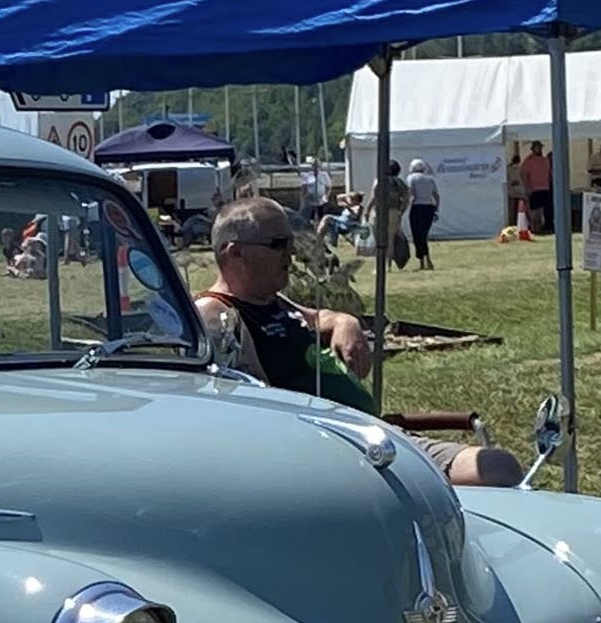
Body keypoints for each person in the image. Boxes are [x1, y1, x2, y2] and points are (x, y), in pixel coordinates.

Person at [192, 200, 521, 486]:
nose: (290, 254)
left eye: (290, 242)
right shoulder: (217, 313)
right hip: (332, 455)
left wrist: (344, 322)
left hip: (371, 436)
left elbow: (322, 318)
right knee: (495, 473)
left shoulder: (273, 301)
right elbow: (256, 409)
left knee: (499, 465)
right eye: (278, 243)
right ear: (235, 254)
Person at [370, 160, 411, 268]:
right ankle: (388, 265)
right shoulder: (399, 182)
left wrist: (367, 210)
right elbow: (407, 198)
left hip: (379, 211)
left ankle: (379, 265)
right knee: (391, 239)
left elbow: (374, 197)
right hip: (393, 211)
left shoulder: (379, 180)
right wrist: (401, 211)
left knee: (379, 239)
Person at [404, 158, 439, 271]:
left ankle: (423, 261)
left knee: (417, 236)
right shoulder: (430, 179)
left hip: (417, 207)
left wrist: (403, 206)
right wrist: (436, 210)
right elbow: (436, 196)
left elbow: (410, 194)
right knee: (424, 235)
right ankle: (426, 259)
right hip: (429, 208)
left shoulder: (411, 178)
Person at [520, 141, 552, 232]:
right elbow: (523, 174)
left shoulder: (545, 160)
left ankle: (539, 226)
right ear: (533, 149)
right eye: (537, 148)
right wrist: (527, 186)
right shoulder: (529, 161)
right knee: (534, 209)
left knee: (541, 209)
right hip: (534, 188)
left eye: (540, 147)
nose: (539, 149)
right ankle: (534, 227)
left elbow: (549, 174)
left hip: (545, 187)